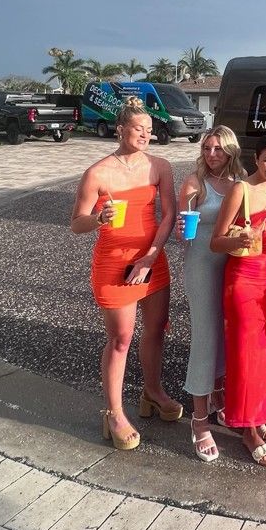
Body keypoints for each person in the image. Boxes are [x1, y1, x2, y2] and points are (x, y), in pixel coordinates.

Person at [70, 96, 180, 451]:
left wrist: (150, 256)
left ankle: (152, 391)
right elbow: (76, 224)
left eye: (149, 129)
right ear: (121, 130)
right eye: (138, 128)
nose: (146, 134)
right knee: (121, 338)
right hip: (114, 263)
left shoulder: (160, 166)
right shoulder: (97, 173)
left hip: (151, 260)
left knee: (157, 329)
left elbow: (168, 215)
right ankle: (114, 413)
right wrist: (98, 219)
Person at [210, 134, 266, 466]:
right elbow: (216, 241)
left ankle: (261, 411)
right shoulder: (242, 189)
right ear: (256, 159)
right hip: (243, 278)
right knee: (246, 352)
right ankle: (248, 429)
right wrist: (237, 238)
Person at [176, 126, 245, 462]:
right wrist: (180, 228)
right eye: (206, 148)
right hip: (202, 265)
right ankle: (199, 419)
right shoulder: (194, 183)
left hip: (232, 266)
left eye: (218, 149)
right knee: (204, 338)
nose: (212, 154)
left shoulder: (240, 180)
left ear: (230, 151)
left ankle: (219, 396)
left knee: (226, 336)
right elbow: (183, 232)